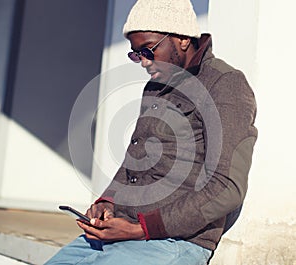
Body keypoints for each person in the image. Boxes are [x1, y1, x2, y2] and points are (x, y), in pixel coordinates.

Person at [45, 0, 257, 264]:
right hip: (119, 232)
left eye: (148, 50)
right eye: (135, 54)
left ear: (181, 38)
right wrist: (107, 201)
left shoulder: (225, 84)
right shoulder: (155, 87)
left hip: (173, 242)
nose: (143, 62)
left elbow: (226, 187)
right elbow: (135, 159)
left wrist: (142, 229)